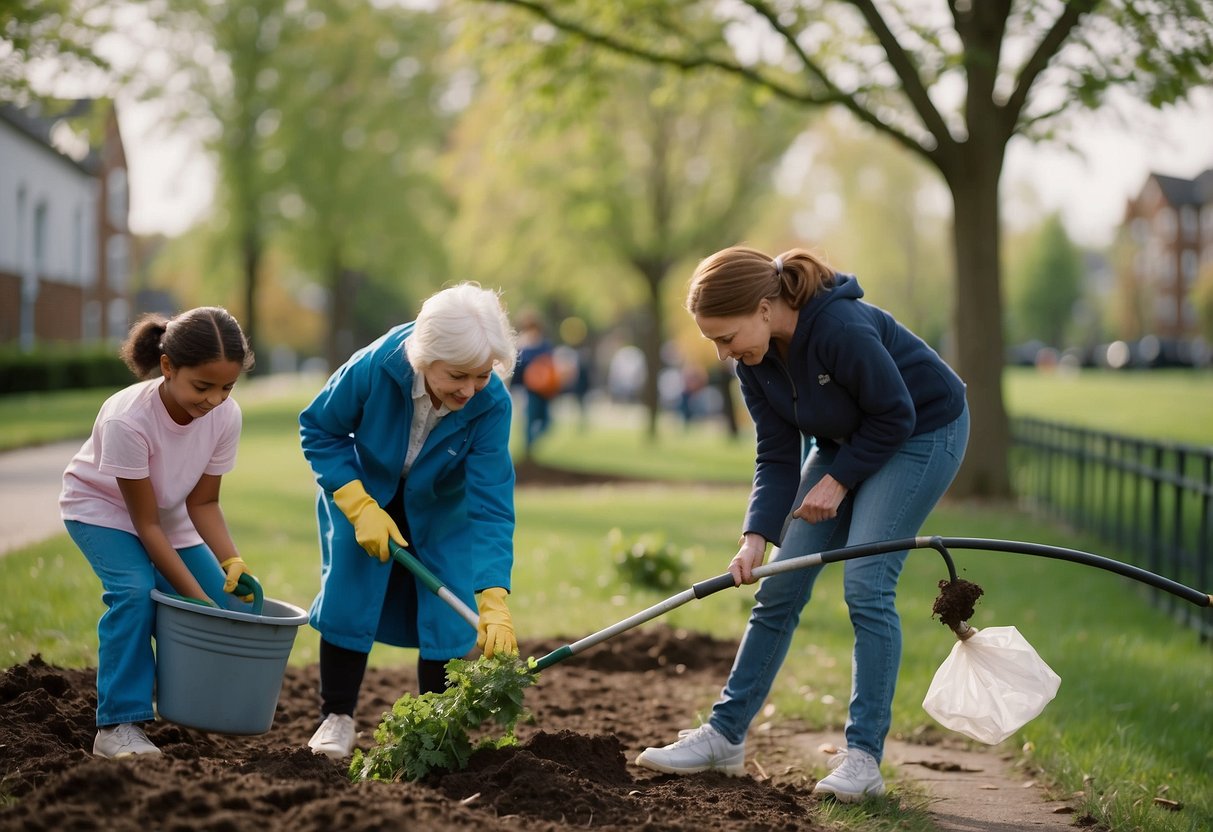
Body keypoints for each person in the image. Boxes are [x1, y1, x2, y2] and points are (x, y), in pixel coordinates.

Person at [636, 246, 969, 802]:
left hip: (922, 432)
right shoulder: (753, 362)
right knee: (779, 586)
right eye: (713, 342)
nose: (723, 354)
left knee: (866, 584)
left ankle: (863, 760)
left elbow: (896, 414)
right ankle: (725, 735)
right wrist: (754, 540)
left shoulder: (839, 327)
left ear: (765, 308)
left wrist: (839, 482)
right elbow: (775, 454)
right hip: (850, 439)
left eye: (726, 336)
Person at [299, 282, 521, 761]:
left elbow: (491, 503)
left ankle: (432, 730)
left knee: (447, 613)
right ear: (426, 356)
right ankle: (336, 717)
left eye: (482, 375)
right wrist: (357, 505)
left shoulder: (492, 403)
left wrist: (493, 593)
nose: (470, 389)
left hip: (442, 510)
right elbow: (320, 427)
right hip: (366, 491)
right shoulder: (378, 365)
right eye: (458, 375)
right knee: (349, 595)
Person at [60, 307, 257, 759]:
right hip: (102, 510)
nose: (213, 399)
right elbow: (143, 526)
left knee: (223, 604)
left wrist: (231, 560)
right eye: (202, 386)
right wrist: (196, 600)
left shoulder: (226, 416)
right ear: (167, 367)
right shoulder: (127, 419)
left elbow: (203, 503)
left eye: (226, 387)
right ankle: (118, 725)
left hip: (167, 513)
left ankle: (187, 704)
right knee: (135, 590)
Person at [512, 311, 557, 457]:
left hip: (544, 390)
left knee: (546, 421)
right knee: (529, 419)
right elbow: (517, 369)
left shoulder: (544, 344)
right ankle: (528, 449)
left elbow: (551, 365)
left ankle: (531, 443)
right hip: (529, 389)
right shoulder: (522, 345)